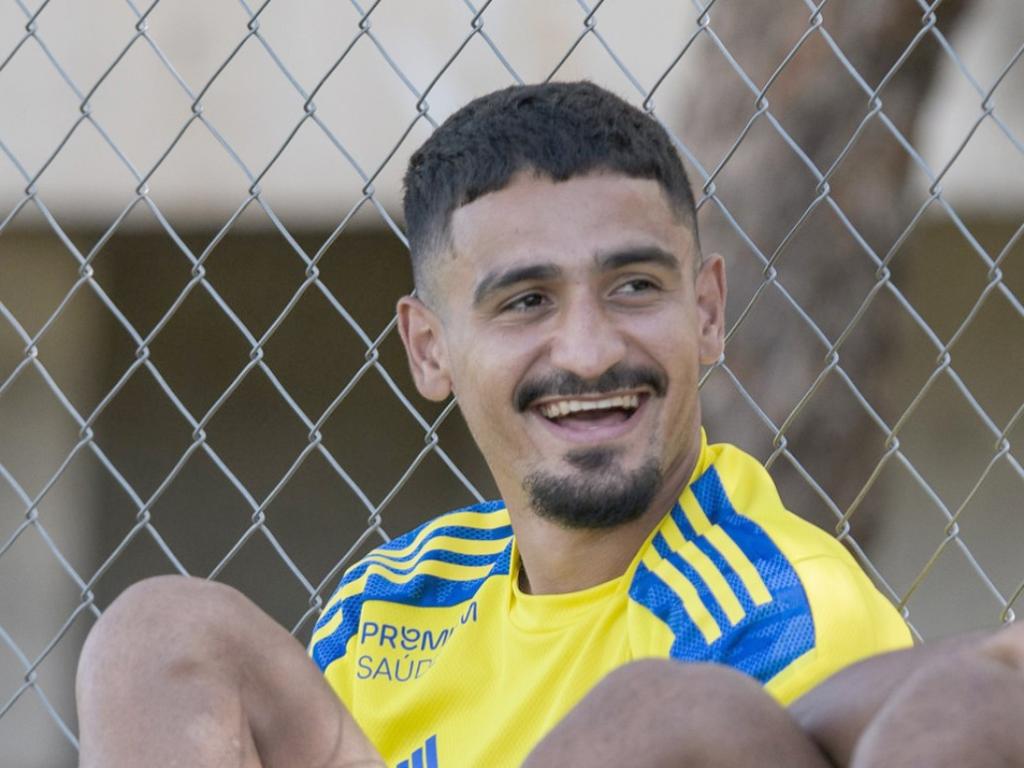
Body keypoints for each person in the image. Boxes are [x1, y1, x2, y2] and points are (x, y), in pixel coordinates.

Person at [76, 82, 1024, 768]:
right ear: (429, 350)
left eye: (635, 287)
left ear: (707, 313)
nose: (589, 351)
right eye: (526, 301)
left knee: (653, 719)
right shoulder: (392, 601)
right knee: (157, 632)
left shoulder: (780, 615)